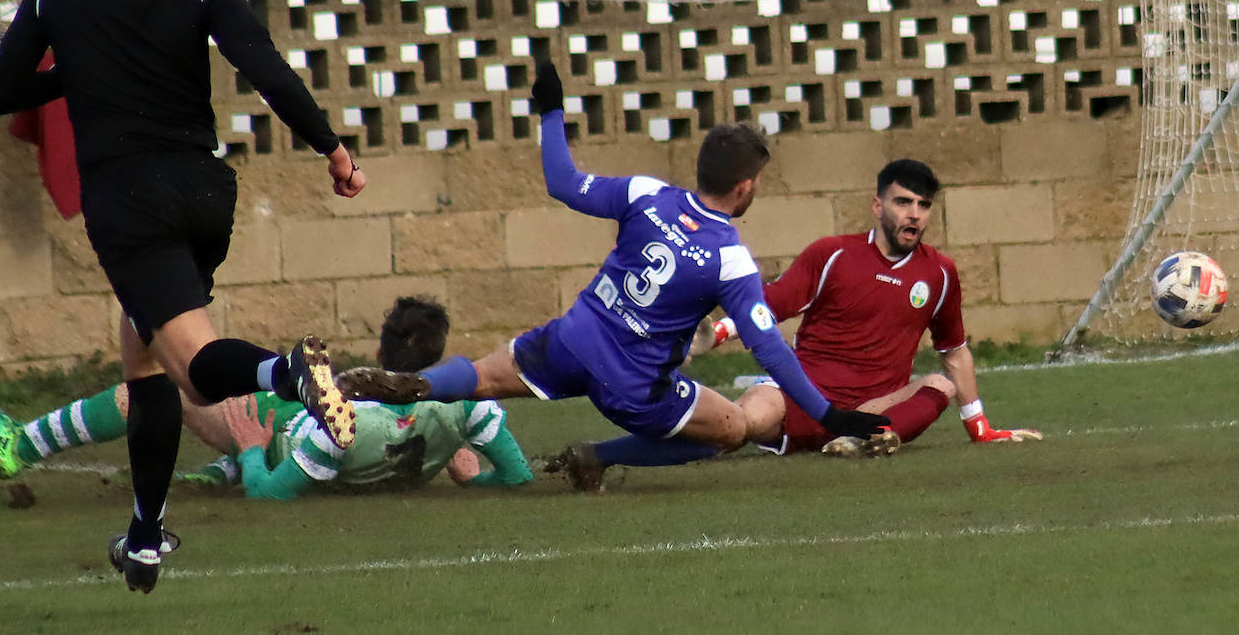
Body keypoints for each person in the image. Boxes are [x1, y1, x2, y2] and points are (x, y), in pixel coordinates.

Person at [0, 0, 365, 592]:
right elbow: (266, 68)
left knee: (193, 371)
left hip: (130, 201)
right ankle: (146, 535)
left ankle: (286, 371)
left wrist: (72, 72)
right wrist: (331, 147)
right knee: (144, 354)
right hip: (204, 191)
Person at [339, 62, 893, 492]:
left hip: (573, 340)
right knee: (731, 430)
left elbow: (562, 181)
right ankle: (598, 456)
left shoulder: (646, 193)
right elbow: (770, 351)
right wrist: (827, 413)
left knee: (484, 374)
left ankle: (419, 384)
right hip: (633, 388)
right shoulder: (731, 259)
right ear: (746, 187)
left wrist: (551, 110)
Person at [553, 159, 1042, 486]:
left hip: (874, 403)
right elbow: (767, 308)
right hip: (799, 395)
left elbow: (954, 351)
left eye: (923, 205)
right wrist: (719, 333)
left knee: (938, 382)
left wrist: (980, 429)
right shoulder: (832, 255)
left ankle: (864, 437)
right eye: (902, 202)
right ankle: (599, 455)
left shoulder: (940, 273)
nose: (914, 214)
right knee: (735, 427)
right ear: (877, 205)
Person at [0, 296, 532, 501]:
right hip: (375, 452)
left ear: (382, 357)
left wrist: (249, 450)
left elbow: (275, 490)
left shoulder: (331, 430)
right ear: (437, 359)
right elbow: (516, 478)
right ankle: (222, 470)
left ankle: (17, 445)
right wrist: (466, 474)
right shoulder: (467, 412)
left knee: (160, 384)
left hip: (289, 434)